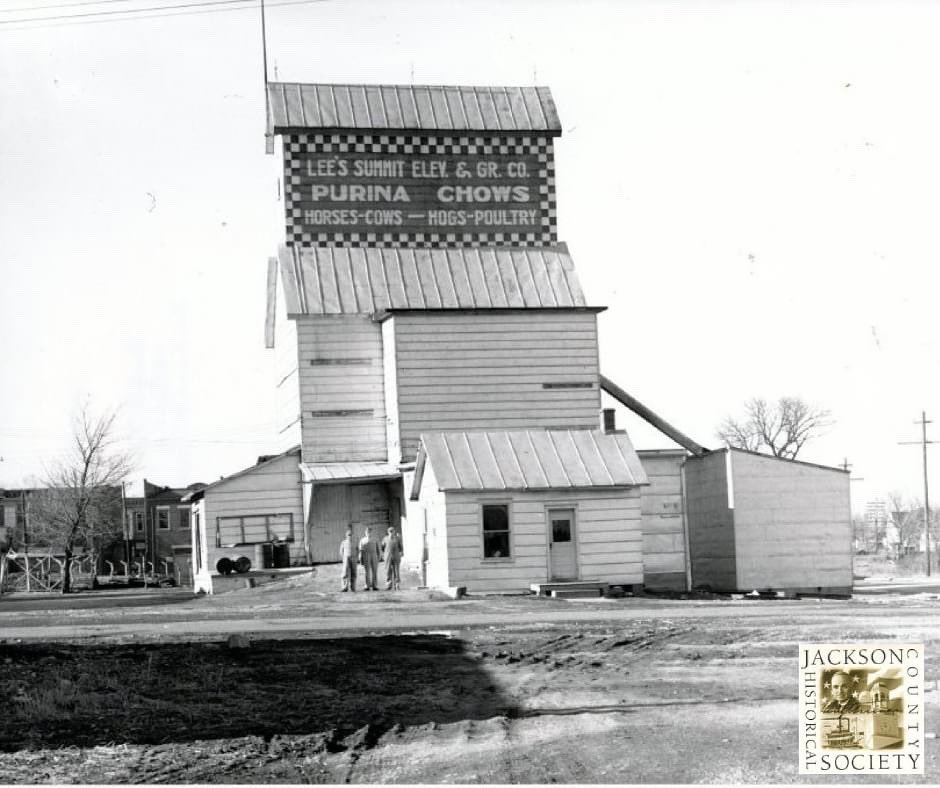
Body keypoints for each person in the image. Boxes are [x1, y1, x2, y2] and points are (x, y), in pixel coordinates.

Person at [358, 525, 381, 591]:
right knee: (366, 571)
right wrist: (360, 558)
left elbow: (378, 549)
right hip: (366, 555)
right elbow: (360, 550)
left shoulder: (375, 539)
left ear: (372, 532)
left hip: (374, 555)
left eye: (370, 531)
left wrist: (379, 557)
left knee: (375, 571)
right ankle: (367, 585)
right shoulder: (362, 540)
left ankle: (375, 585)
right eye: (367, 532)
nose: (369, 533)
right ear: (365, 532)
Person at [381, 526, 403, 590]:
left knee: (396, 570)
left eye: (392, 531)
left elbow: (401, 547)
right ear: (388, 532)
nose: (391, 532)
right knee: (388, 570)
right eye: (390, 531)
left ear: (394, 531)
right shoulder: (385, 539)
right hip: (388, 556)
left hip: (396, 556)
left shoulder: (397, 538)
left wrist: (400, 553)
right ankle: (389, 584)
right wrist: (383, 555)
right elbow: (382, 547)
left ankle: (397, 584)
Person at [339, 526, 357, 592]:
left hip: (354, 558)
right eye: (348, 535)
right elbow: (341, 551)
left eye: (351, 535)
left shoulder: (355, 542)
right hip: (346, 558)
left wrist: (356, 557)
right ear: (346, 536)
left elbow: (357, 550)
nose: (350, 536)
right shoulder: (343, 542)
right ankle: (344, 587)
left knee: (354, 573)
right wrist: (343, 558)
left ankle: (353, 587)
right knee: (345, 573)